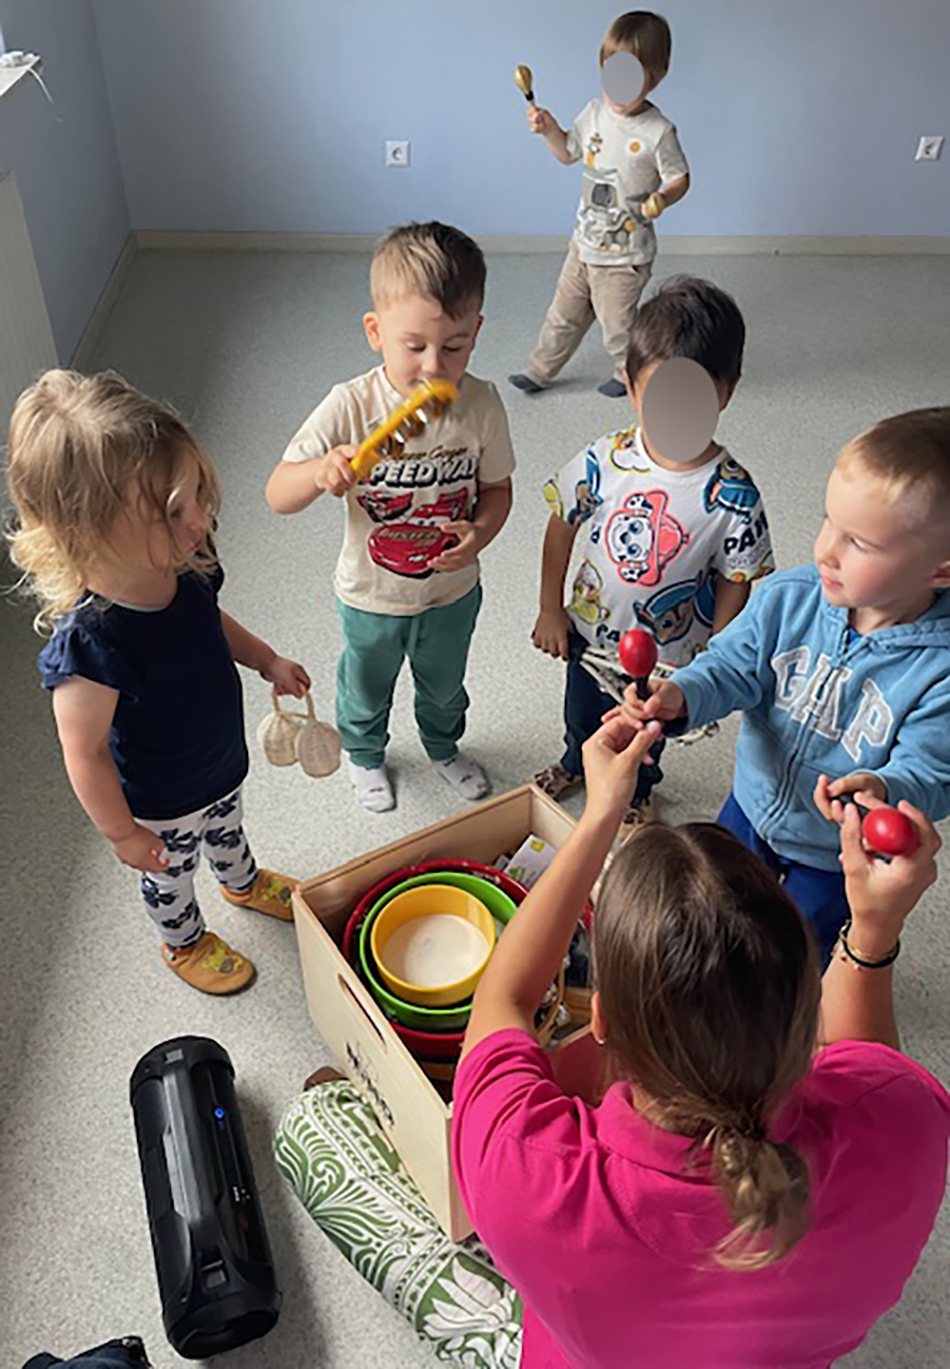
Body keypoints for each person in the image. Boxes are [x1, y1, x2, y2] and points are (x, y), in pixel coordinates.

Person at [275, 715, 948, 1368]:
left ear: (598, 1018)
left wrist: (600, 814)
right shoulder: (908, 1124)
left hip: (557, 1323)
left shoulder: (530, 1170)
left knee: (311, 1126)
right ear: (806, 1019)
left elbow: (503, 998)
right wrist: (873, 929)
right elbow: (870, 1070)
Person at [7, 370, 310, 994]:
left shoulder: (185, 565)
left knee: (228, 826)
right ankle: (184, 940)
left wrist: (266, 660)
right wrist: (121, 832)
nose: (200, 520)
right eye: (174, 512)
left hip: (217, 759)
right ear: (86, 533)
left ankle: (242, 881)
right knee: (171, 874)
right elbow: (84, 750)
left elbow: (209, 622)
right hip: (160, 799)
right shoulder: (94, 642)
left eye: (195, 495)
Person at [622, 407, 950, 958]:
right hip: (750, 804)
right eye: (828, 522)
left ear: (940, 571)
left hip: (833, 854)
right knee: (714, 903)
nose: (825, 550)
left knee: (793, 948)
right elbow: (731, 667)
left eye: (859, 543)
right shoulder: (788, 599)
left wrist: (884, 790)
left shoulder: (940, 672)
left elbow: (933, 773)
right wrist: (682, 694)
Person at [267, 221, 514, 814]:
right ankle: (364, 753)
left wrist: (479, 534)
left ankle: (443, 747)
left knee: (445, 686)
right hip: (371, 594)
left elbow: (498, 490)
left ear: (477, 333)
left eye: (454, 347)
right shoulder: (351, 405)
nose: (434, 366)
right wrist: (319, 471)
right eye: (414, 346)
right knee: (366, 685)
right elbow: (278, 493)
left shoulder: (481, 404)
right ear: (375, 332)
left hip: (451, 591)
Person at [532, 276, 773, 828]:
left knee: (647, 733)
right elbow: (561, 526)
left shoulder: (734, 493)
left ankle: (639, 789)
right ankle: (575, 761)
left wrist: (718, 653)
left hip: (671, 655)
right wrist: (549, 607)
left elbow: (737, 577)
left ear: (727, 392)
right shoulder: (603, 460)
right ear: (629, 381)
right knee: (582, 714)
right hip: (591, 635)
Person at [509, 10, 690, 398]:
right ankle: (539, 371)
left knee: (618, 327)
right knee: (562, 315)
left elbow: (680, 179)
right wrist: (549, 131)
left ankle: (629, 374)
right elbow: (567, 152)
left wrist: (662, 198)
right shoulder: (593, 113)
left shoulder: (658, 132)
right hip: (584, 244)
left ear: (656, 77)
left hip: (625, 255)